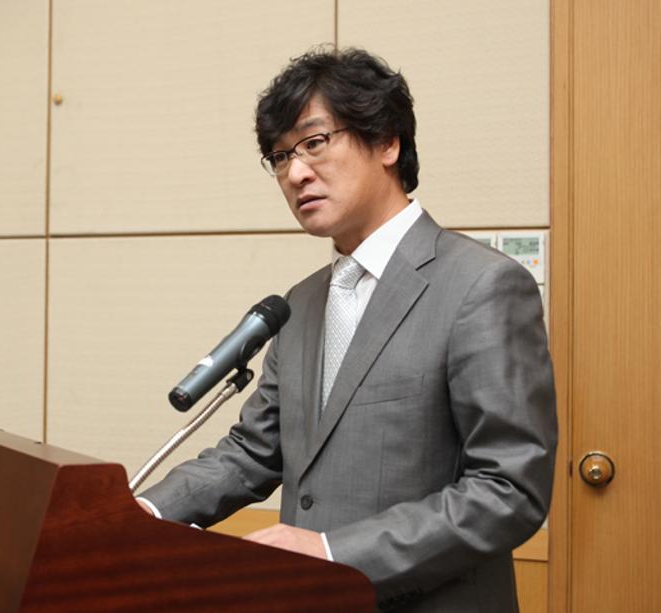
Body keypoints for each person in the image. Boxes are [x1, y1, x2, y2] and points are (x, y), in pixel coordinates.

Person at [138, 48, 557, 612]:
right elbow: (256, 451)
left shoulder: (481, 285)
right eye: (280, 155)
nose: (295, 172)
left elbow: (509, 490)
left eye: (314, 143)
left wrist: (335, 551)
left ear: (387, 142)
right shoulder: (303, 301)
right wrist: (147, 513)